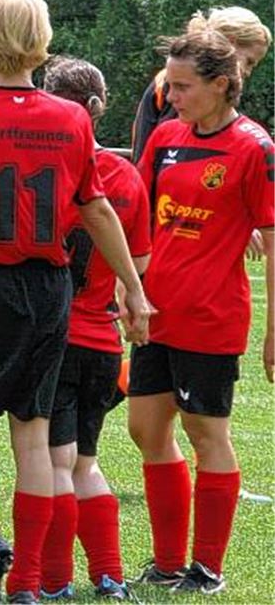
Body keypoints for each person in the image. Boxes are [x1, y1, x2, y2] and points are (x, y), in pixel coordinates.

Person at [0, 0, 152, 604]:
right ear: (41, 42)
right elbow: (98, 210)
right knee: (34, 436)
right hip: (49, 291)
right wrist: (133, 289)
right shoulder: (72, 119)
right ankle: (25, 584)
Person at [128, 29, 274, 596]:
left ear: (221, 85)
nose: (172, 95)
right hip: (156, 313)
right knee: (146, 429)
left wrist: (271, 333)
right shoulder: (165, 138)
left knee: (205, 431)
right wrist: (129, 288)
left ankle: (206, 567)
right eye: (170, 83)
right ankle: (166, 563)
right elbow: (137, 219)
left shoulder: (253, 147)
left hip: (213, 317)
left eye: (184, 86)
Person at [38, 56, 152, 601]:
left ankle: (56, 581)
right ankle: (109, 576)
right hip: (104, 343)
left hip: (53, 339)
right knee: (86, 462)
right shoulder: (127, 177)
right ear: (99, 108)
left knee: (54, 464)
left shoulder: (45, 169)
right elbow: (142, 270)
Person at [130, 7, 271, 165]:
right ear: (231, 43)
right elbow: (175, 152)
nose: (248, 72)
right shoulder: (185, 83)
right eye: (249, 61)